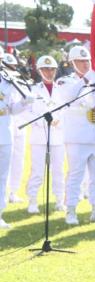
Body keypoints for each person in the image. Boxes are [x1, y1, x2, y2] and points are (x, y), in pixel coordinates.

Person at [55, 45, 95, 225]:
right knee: (75, 175)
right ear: (72, 63)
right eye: (80, 61)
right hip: (77, 138)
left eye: (87, 60)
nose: (85, 64)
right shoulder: (66, 82)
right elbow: (70, 97)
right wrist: (87, 81)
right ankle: (71, 211)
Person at [25, 55, 66, 214]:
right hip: (39, 136)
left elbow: (66, 110)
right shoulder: (33, 90)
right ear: (39, 71)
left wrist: (58, 121)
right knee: (37, 170)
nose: (49, 72)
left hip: (57, 135)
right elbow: (26, 113)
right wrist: (41, 122)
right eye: (45, 69)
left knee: (58, 170)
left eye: (51, 69)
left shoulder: (61, 90)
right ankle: (33, 200)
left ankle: (59, 200)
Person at [0, 46, 32, 229]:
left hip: (5, 133)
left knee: (2, 176)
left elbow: (12, 109)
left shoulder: (7, 81)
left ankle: (0, 214)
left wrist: (24, 103)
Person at [4, 53, 27, 204]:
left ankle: (13, 191)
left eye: (14, 66)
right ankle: (5, 194)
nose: (12, 69)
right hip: (7, 126)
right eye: (8, 66)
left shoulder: (19, 83)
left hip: (19, 127)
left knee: (18, 161)